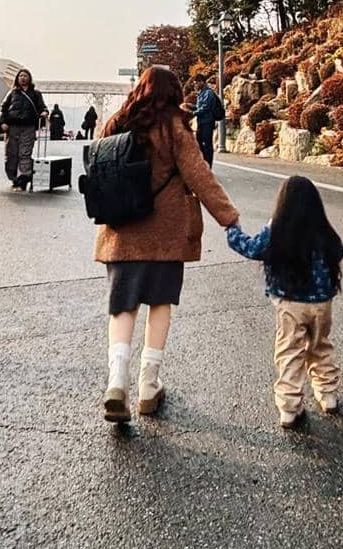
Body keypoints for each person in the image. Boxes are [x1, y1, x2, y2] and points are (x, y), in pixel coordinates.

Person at [95, 66, 239, 424]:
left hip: (121, 229)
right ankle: (148, 385)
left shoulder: (117, 121)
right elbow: (200, 176)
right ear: (173, 91)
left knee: (122, 305)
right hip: (165, 233)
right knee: (159, 303)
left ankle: (117, 381)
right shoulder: (174, 126)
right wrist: (229, 218)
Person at [227, 176, 343, 428]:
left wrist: (232, 230)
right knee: (320, 346)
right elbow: (339, 251)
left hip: (291, 304)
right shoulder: (321, 227)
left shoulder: (277, 229)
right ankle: (328, 396)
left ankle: (290, 409)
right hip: (322, 303)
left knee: (290, 352)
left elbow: (251, 248)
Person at [0, 69, 49, 191]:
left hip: (28, 127)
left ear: (29, 78)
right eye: (20, 76)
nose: (23, 78)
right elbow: (3, 108)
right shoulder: (12, 93)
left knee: (25, 154)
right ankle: (13, 178)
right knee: (11, 154)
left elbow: (42, 107)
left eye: (25, 76)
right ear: (17, 78)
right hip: (12, 127)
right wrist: (3, 122)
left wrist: (44, 112)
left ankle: (23, 179)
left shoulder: (36, 94)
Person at [193, 74, 224, 167]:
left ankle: (208, 165)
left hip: (208, 122)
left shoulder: (208, 93)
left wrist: (194, 113)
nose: (195, 85)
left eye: (196, 83)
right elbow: (199, 107)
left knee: (207, 144)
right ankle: (203, 162)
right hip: (201, 122)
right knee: (198, 143)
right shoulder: (201, 93)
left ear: (201, 82)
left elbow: (206, 107)